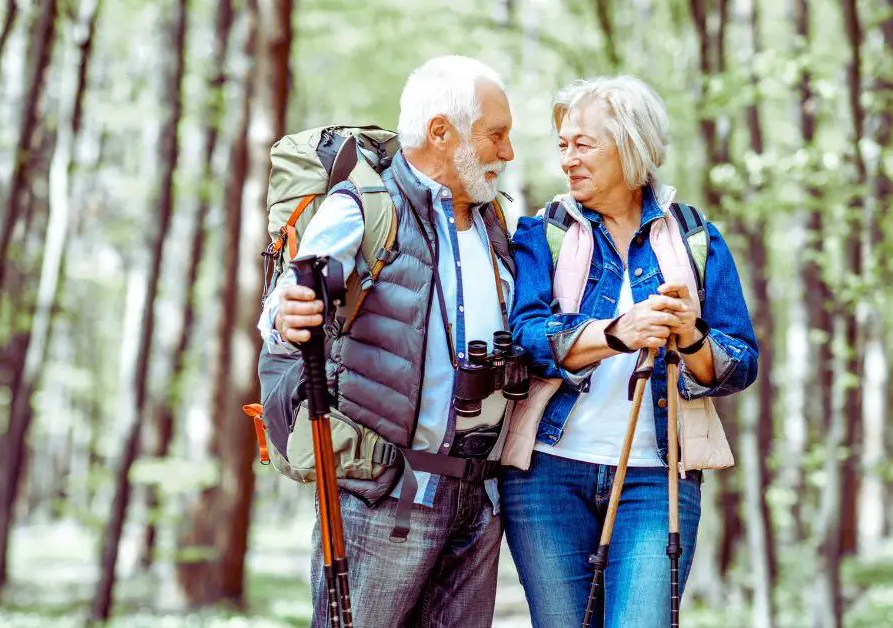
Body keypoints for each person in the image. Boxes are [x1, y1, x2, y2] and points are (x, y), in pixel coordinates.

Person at [257, 55, 517, 627]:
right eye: (496, 135)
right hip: (385, 498)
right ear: (441, 132)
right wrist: (288, 311)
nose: (508, 153)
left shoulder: (496, 220)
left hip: (477, 502)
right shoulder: (364, 205)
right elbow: (290, 294)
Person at [501, 75, 759, 627]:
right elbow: (524, 337)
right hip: (549, 475)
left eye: (583, 144)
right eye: (563, 144)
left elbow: (741, 361)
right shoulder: (541, 231)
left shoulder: (696, 237)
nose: (567, 158)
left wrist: (689, 337)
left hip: (656, 478)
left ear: (630, 145)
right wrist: (619, 331)